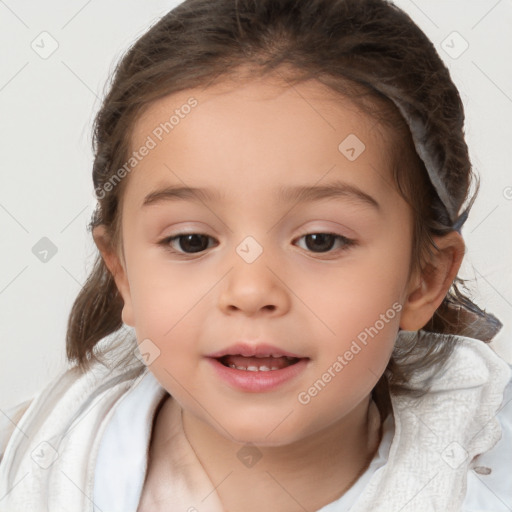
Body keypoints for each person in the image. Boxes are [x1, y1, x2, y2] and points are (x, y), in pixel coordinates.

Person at [1, 0, 510, 510]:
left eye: (320, 241)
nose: (250, 292)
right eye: (192, 241)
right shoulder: (31, 462)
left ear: (423, 278)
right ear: (124, 275)